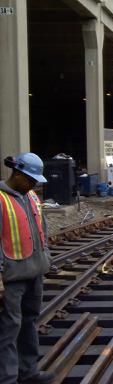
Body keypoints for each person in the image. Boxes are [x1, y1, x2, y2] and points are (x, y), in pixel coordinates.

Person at [0, 152, 54, 384]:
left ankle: (28, 371)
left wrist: (46, 259)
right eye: (30, 179)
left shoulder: (31, 197)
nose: (33, 184)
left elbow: (43, 232)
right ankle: (8, 378)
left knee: (29, 322)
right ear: (17, 173)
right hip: (11, 279)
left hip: (34, 274)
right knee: (9, 330)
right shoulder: (1, 199)